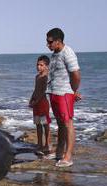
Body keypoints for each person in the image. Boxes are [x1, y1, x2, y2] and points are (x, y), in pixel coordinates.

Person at [46, 28, 81, 167]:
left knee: (68, 124)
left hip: (64, 93)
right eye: (47, 42)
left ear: (58, 41)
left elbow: (76, 74)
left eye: (50, 42)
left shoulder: (68, 52)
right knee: (60, 123)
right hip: (54, 92)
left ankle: (68, 157)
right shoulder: (55, 54)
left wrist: (73, 91)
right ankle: (59, 152)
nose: (47, 45)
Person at [29, 55, 51, 155]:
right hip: (36, 103)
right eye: (37, 65)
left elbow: (43, 91)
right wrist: (31, 100)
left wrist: (36, 101)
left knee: (45, 124)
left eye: (41, 65)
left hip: (43, 103)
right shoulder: (37, 76)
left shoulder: (46, 77)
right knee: (38, 124)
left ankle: (47, 144)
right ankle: (39, 143)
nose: (39, 67)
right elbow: (36, 90)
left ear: (46, 66)